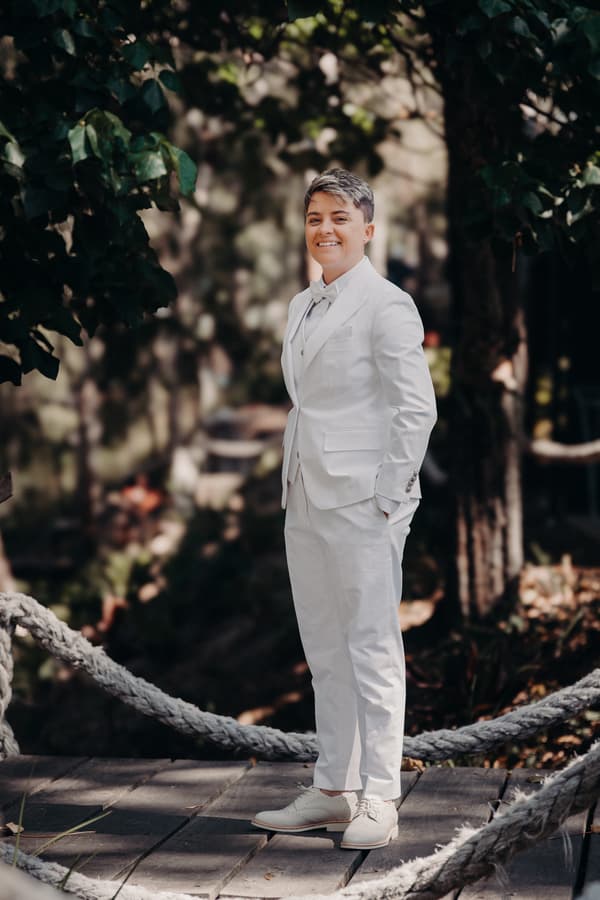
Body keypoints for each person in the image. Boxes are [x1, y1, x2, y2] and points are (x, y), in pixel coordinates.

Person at [252, 168, 437, 850]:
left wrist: (388, 496)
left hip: (364, 502)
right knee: (325, 648)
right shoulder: (302, 303)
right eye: (314, 218)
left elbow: (416, 408)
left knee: (371, 648)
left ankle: (381, 797)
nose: (324, 229)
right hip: (304, 493)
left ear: (367, 228)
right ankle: (334, 788)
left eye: (338, 217)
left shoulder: (387, 305)